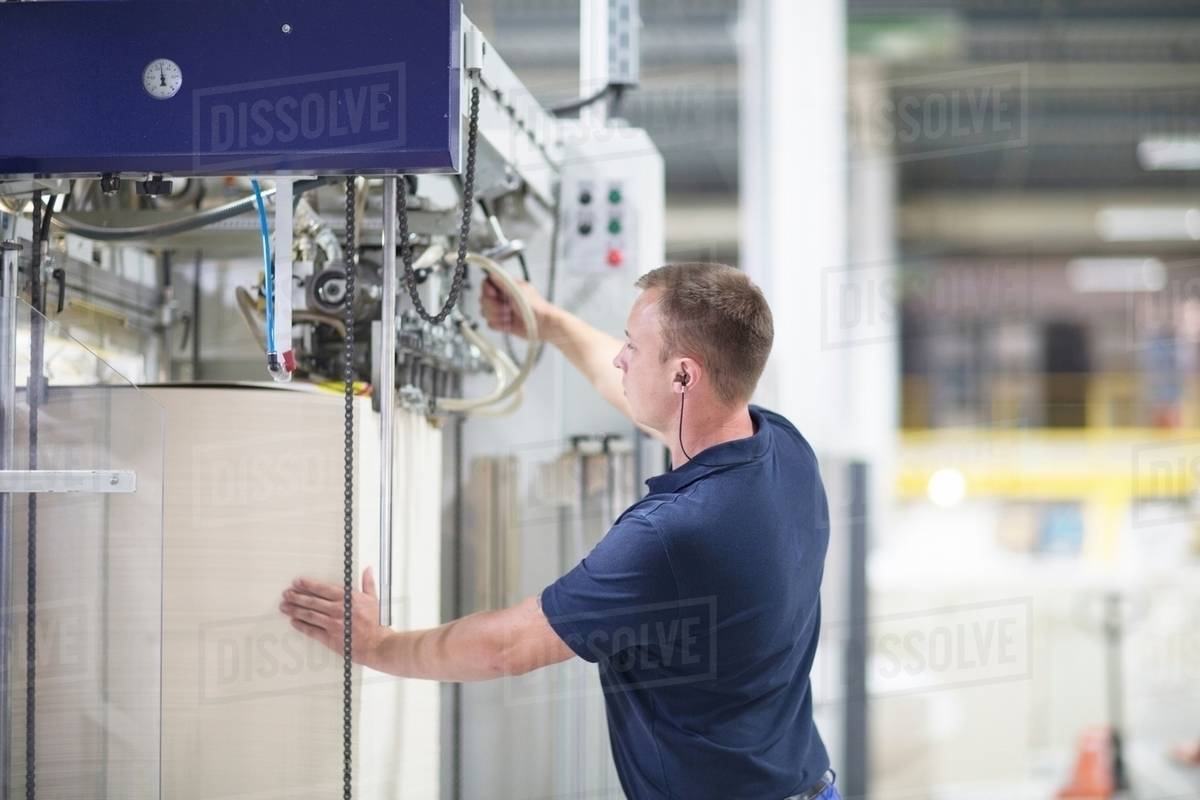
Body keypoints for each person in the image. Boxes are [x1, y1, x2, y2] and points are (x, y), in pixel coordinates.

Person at [280, 262, 839, 800]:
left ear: (683, 375)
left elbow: (506, 648)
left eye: (633, 346)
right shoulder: (783, 446)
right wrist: (546, 322)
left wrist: (377, 644)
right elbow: (639, 392)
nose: (620, 358)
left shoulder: (672, 535)